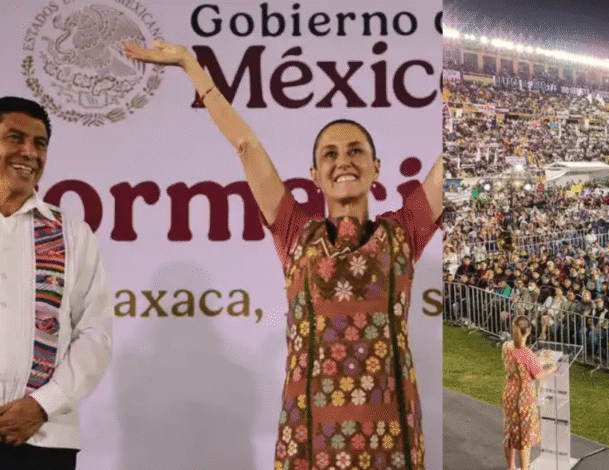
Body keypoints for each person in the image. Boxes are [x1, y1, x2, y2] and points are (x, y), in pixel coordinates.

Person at [125, 41, 443, 470]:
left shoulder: (402, 232)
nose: (343, 161)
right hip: (310, 441)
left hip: (391, 442)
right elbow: (246, 145)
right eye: (330, 154)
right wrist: (189, 65)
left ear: (376, 168)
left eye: (356, 151)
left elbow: (448, 160)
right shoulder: (295, 232)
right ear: (314, 175)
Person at [0, 97, 113, 469]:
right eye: (14, 138)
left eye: (40, 143)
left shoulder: (71, 233)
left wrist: (41, 405)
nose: (29, 152)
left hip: (43, 437)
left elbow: (95, 333)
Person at [502, 316, 556, 470]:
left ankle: (511, 467)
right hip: (524, 398)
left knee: (510, 432)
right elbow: (539, 375)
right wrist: (552, 368)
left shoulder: (506, 346)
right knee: (524, 437)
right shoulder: (527, 354)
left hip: (509, 394)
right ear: (528, 331)